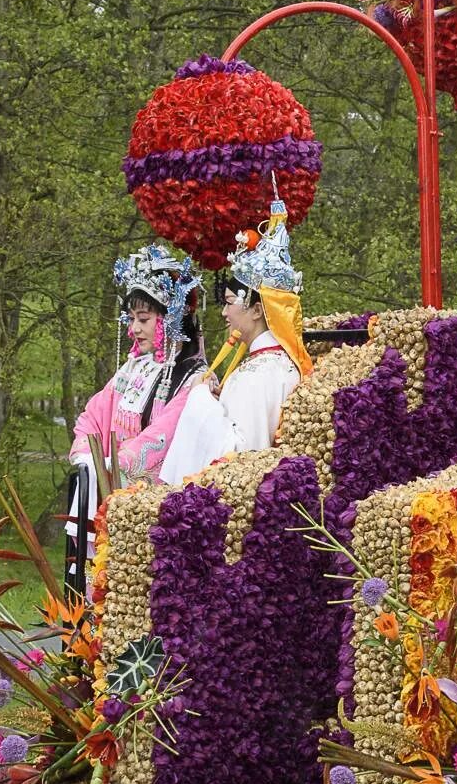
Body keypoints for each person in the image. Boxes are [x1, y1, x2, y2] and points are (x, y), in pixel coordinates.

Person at [66, 243, 207, 560]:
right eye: (131, 319)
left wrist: (113, 468)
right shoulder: (133, 368)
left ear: (170, 318)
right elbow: (93, 417)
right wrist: (88, 459)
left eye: (143, 319)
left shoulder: (193, 378)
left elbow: (162, 436)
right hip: (107, 489)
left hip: (150, 508)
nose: (133, 329)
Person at [161, 199, 312, 482]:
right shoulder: (280, 363)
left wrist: (200, 398)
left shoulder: (257, 375)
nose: (224, 312)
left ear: (257, 309)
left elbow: (239, 455)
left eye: (230, 302)